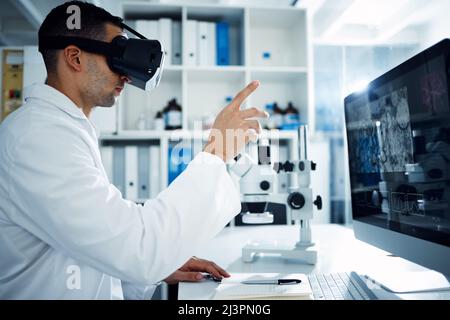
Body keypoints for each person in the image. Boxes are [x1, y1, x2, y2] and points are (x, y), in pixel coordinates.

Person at [0, 1, 267, 299]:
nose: (127, 75)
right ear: (74, 57)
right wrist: (217, 151)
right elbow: (138, 247)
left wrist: (158, 266)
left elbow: (89, 244)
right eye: (117, 57)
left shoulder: (62, 129)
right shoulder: (39, 138)